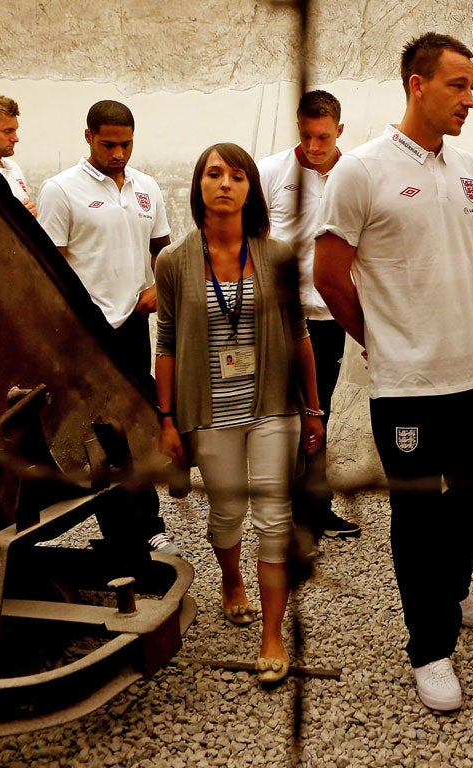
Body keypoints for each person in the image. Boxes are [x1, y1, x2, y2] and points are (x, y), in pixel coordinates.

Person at [314, 32, 473, 712]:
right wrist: (382, 340)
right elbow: (330, 277)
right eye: (459, 85)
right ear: (418, 85)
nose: (472, 99)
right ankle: (430, 648)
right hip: (408, 388)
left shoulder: (468, 167)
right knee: (418, 519)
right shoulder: (360, 170)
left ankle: (448, 590)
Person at [154, 143, 324, 685]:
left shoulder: (276, 257)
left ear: (251, 188)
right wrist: (165, 419)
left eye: (236, 175)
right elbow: (167, 344)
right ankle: (231, 581)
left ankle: (272, 637)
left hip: (274, 406)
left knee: (273, 519)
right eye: (213, 173)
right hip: (209, 411)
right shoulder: (174, 261)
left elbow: (300, 336)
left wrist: (314, 410)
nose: (224, 183)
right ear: (198, 185)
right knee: (226, 513)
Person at [37, 100, 178, 558]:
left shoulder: (146, 188)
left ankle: (150, 527)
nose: (119, 153)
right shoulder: (61, 190)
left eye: (127, 144)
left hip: (134, 326)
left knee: (137, 427)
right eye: (108, 144)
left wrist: (160, 287)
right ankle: (123, 535)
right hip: (87, 334)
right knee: (100, 436)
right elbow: (50, 270)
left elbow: (164, 250)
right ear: (88, 137)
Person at [258, 89, 361, 540]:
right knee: (280, 413)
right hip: (281, 316)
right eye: (306, 136)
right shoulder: (270, 172)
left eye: (323, 137)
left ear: (340, 130)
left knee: (321, 409)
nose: (315, 146)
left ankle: (315, 508)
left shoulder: (357, 175)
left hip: (329, 314)